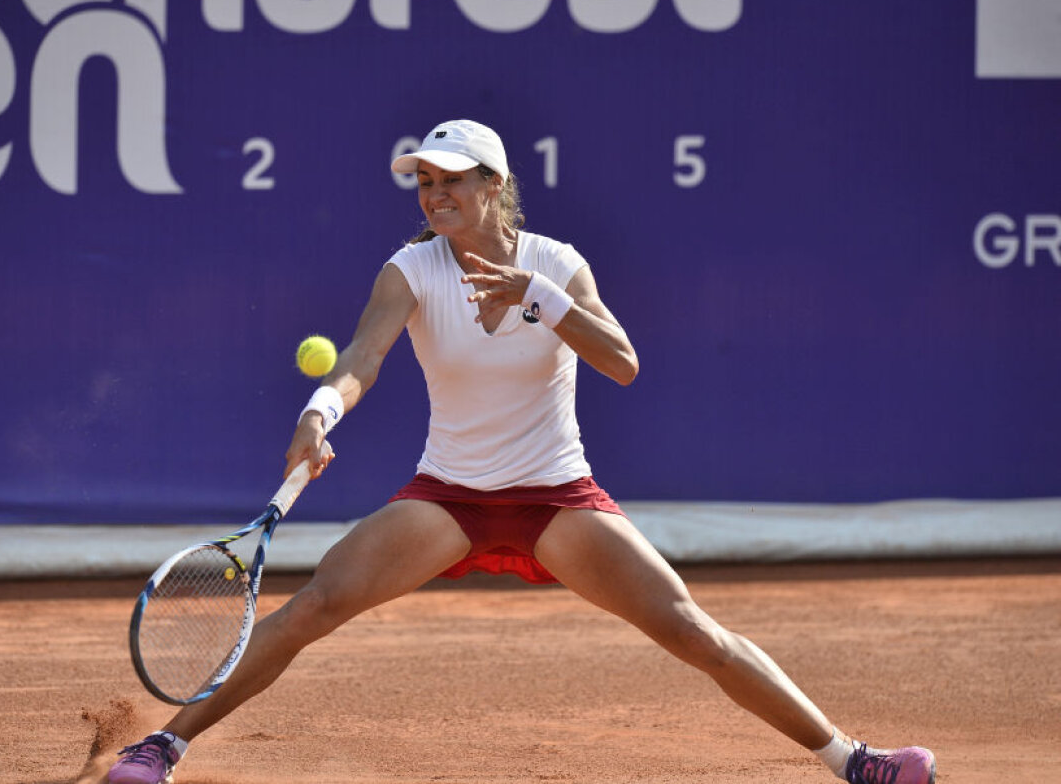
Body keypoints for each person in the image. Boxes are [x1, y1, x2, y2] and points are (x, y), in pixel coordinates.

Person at [107, 119, 936, 784]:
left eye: (452, 180)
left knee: (692, 630)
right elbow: (361, 359)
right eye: (425, 183)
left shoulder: (556, 265)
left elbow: (622, 361)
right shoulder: (409, 270)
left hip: (557, 499)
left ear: (494, 185)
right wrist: (320, 409)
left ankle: (855, 762)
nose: (435, 196)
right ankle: (162, 748)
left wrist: (540, 300)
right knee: (313, 606)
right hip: (448, 497)